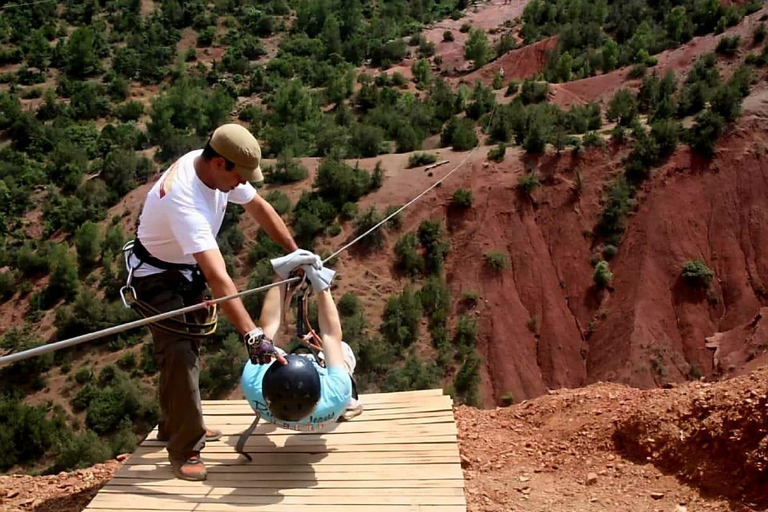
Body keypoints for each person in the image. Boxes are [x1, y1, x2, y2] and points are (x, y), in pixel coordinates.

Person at [122, 123, 314, 482]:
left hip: (185, 269)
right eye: (240, 176)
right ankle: (184, 448)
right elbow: (219, 278)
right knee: (178, 353)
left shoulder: (216, 169)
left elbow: (259, 208)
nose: (243, 184)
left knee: (186, 349)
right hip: (156, 277)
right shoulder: (183, 198)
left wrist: (295, 253)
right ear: (220, 163)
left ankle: (176, 422)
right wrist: (253, 335)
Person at [240, 267, 363, 434]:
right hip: (327, 415)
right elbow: (331, 336)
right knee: (342, 349)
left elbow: (268, 327)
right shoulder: (336, 396)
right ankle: (350, 405)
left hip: (271, 415)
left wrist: (281, 276)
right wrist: (322, 285)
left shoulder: (253, 383)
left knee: (267, 349)